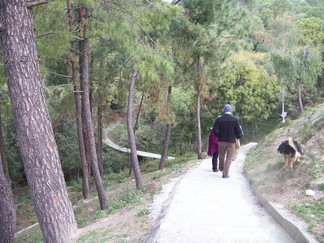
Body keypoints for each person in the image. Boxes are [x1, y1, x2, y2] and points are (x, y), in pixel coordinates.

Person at [212, 104, 243, 178]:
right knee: (229, 157)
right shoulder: (235, 120)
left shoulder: (219, 119)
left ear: (224, 110)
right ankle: (225, 174)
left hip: (221, 141)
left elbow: (214, 130)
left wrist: (219, 136)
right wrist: (237, 137)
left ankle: (222, 167)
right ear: (231, 110)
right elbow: (239, 131)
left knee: (221, 155)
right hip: (231, 142)